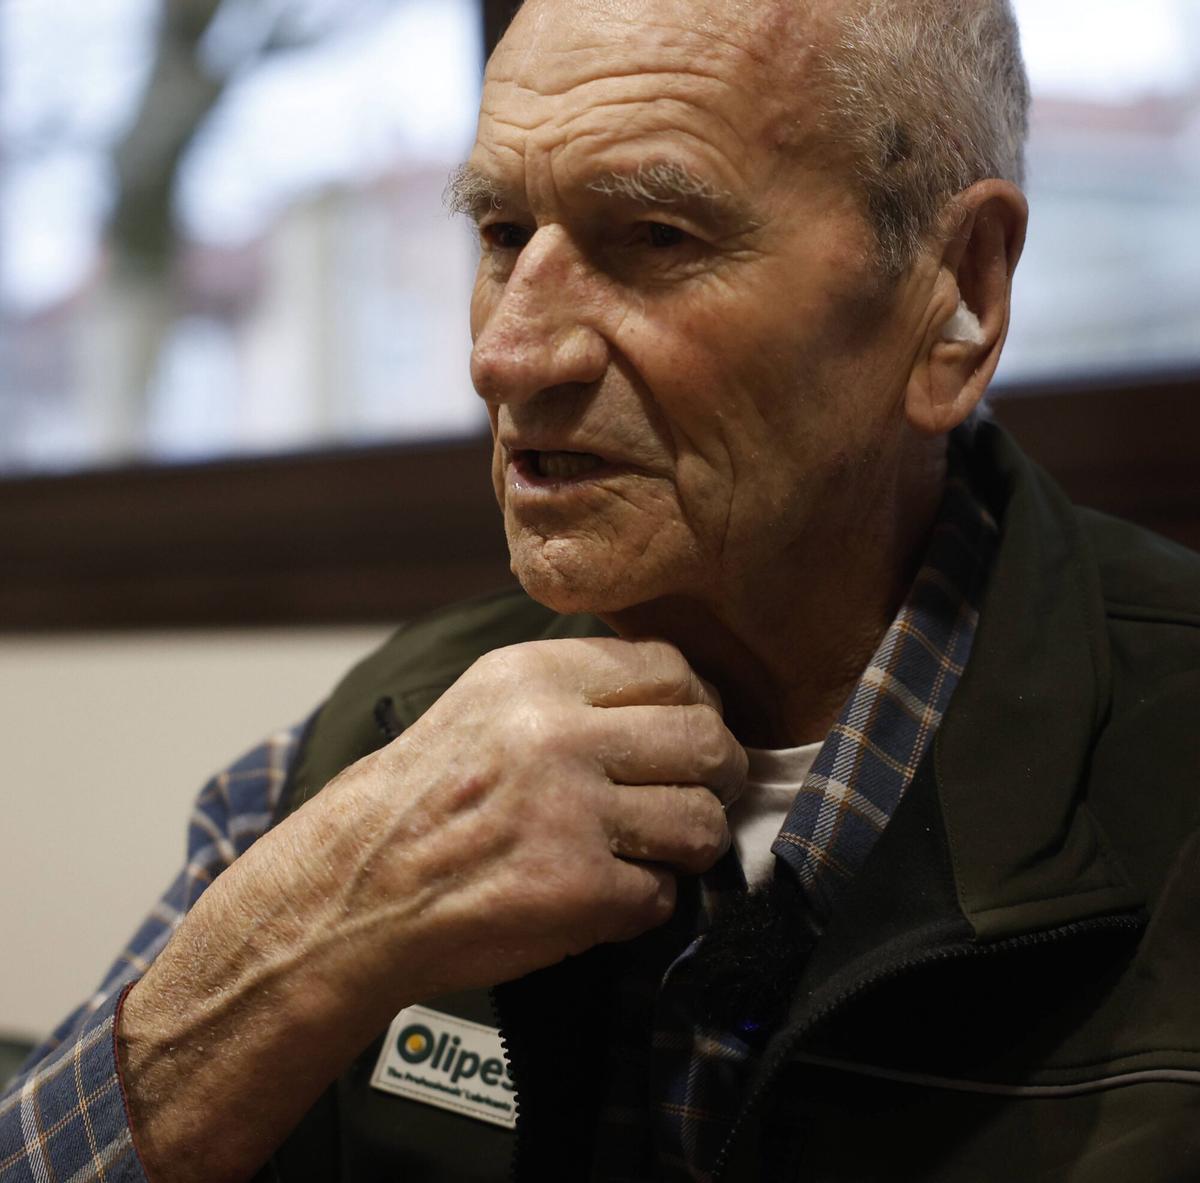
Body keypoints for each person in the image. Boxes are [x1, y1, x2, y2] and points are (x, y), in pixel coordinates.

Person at [4, 0, 1199, 1179]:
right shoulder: (373, 752)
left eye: (659, 235)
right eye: (502, 232)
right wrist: (312, 929)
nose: (507, 353)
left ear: (960, 298)